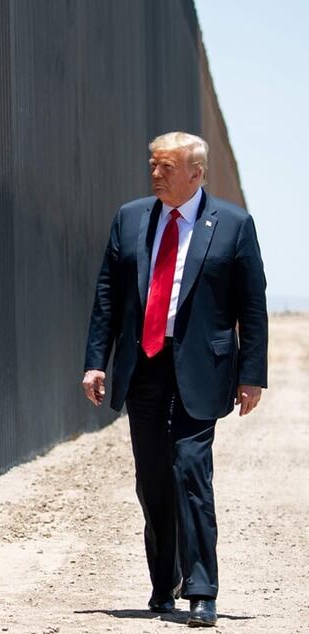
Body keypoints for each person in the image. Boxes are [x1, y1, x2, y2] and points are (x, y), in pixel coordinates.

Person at [81, 132, 268, 628]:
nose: (156, 173)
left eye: (166, 166)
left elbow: (251, 306)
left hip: (201, 369)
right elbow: (107, 296)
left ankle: (202, 589)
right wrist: (96, 361)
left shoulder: (232, 224)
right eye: (153, 165)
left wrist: (252, 374)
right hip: (143, 366)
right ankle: (163, 583)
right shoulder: (130, 218)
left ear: (196, 173)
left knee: (190, 469)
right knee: (152, 480)